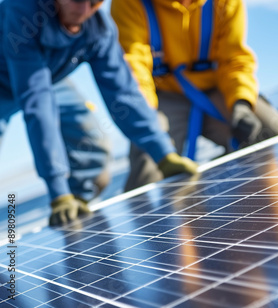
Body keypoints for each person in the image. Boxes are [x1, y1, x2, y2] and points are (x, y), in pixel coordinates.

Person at [0, 0, 197, 226]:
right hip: (19, 80)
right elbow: (37, 103)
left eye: (94, 3)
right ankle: (63, 197)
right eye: (76, 0)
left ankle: (75, 215)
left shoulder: (99, 28)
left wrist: (164, 154)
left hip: (49, 78)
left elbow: (123, 93)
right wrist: (57, 191)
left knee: (92, 151)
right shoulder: (22, 12)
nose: (84, 11)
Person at [110, 0, 278, 191]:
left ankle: (242, 198)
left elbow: (233, 59)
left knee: (271, 132)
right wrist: (146, 117)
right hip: (163, 95)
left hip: (217, 88)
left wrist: (241, 102)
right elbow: (133, 67)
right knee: (150, 156)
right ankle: (152, 215)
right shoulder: (130, 3)